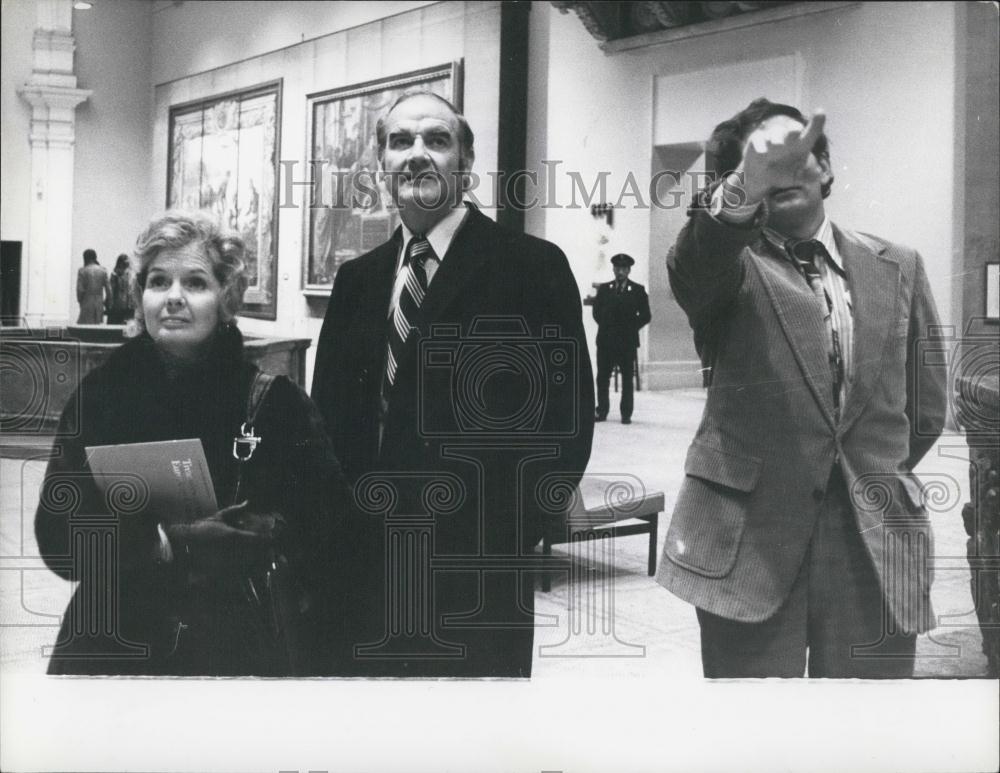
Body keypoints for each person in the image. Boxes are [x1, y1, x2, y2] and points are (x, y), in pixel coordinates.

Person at [656, 98, 946, 678]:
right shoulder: (728, 266)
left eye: (798, 153)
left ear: (828, 169)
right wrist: (742, 188)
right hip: (750, 540)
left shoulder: (900, 265)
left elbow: (927, 409)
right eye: (764, 160)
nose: (783, 168)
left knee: (868, 738)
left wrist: (862, 468)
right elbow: (697, 261)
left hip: (873, 535)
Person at [311, 91, 594, 677]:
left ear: (465, 162)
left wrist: (512, 535)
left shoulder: (531, 267)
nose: (416, 156)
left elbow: (566, 424)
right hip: (362, 562)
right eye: (399, 142)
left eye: (436, 141)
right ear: (380, 164)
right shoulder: (357, 281)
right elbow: (328, 423)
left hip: (476, 570)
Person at [35, 211, 350, 676]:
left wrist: (270, 531)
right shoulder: (102, 396)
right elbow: (57, 537)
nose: (174, 298)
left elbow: (336, 531)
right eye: (158, 281)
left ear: (227, 298)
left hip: (237, 647)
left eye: (196, 283)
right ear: (140, 294)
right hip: (112, 644)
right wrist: (164, 540)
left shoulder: (275, 404)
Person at [592, 253, 651, 424]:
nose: (620, 272)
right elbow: (597, 312)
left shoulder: (638, 290)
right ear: (613, 269)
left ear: (629, 270)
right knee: (602, 377)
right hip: (606, 341)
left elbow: (646, 315)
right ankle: (601, 411)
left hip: (627, 342)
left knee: (626, 378)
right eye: (617, 268)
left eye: (624, 269)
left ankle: (626, 414)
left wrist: (632, 327)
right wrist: (606, 326)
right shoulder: (604, 289)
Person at [76, 248, 109, 324]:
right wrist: (106, 303)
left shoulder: (82, 271)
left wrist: (80, 302)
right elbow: (109, 291)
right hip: (99, 304)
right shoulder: (103, 270)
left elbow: (80, 290)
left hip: (86, 304)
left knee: (85, 330)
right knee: (97, 330)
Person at [106, 253, 136, 324]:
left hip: (121, 305)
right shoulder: (117, 274)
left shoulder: (127, 274)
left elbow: (111, 291)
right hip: (123, 306)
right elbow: (111, 290)